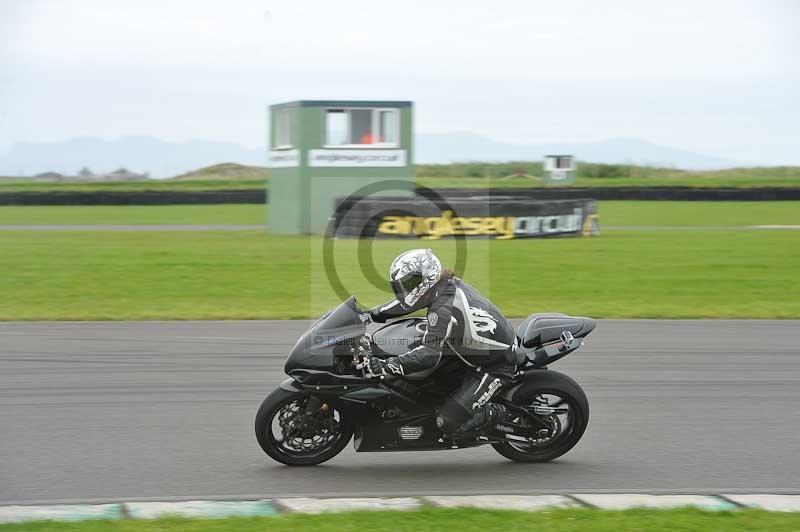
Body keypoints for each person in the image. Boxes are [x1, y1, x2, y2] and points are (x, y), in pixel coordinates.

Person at [360, 248, 520, 437]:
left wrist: (385, 366)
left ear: (425, 278)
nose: (405, 289)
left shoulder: (443, 307)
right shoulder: (438, 287)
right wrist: (368, 314)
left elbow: (428, 356)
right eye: (401, 285)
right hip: (466, 352)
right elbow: (405, 304)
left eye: (408, 283)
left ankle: (498, 414)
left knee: (447, 422)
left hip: (495, 366)